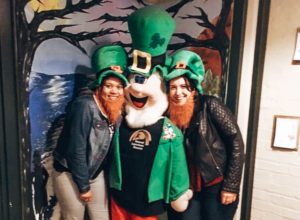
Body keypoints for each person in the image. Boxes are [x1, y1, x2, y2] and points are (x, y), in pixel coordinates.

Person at [109, 6, 192, 220]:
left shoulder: (168, 132)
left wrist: (178, 192)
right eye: (134, 81)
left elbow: (177, 165)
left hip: (150, 204)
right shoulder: (119, 122)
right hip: (119, 198)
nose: (137, 90)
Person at [165, 50, 245, 220]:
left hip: (215, 186)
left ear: (193, 89)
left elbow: (236, 143)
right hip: (186, 188)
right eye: (173, 87)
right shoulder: (167, 114)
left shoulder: (211, 105)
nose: (178, 92)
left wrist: (231, 186)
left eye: (184, 86)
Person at [52, 45, 128, 220]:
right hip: (69, 172)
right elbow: (75, 149)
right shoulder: (85, 106)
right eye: (108, 85)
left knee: (101, 217)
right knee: (74, 216)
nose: (114, 91)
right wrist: (83, 186)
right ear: (99, 87)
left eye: (118, 87)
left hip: (95, 172)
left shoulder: (116, 112)